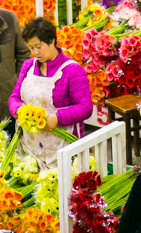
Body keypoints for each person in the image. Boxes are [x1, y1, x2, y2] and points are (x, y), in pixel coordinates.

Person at [8, 16, 93, 168]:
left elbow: (85, 107)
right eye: (31, 47)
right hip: (30, 144)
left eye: (38, 46)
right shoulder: (28, 66)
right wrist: (20, 110)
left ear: (52, 40)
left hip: (63, 146)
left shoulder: (72, 70)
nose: (35, 52)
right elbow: (14, 97)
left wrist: (57, 118)